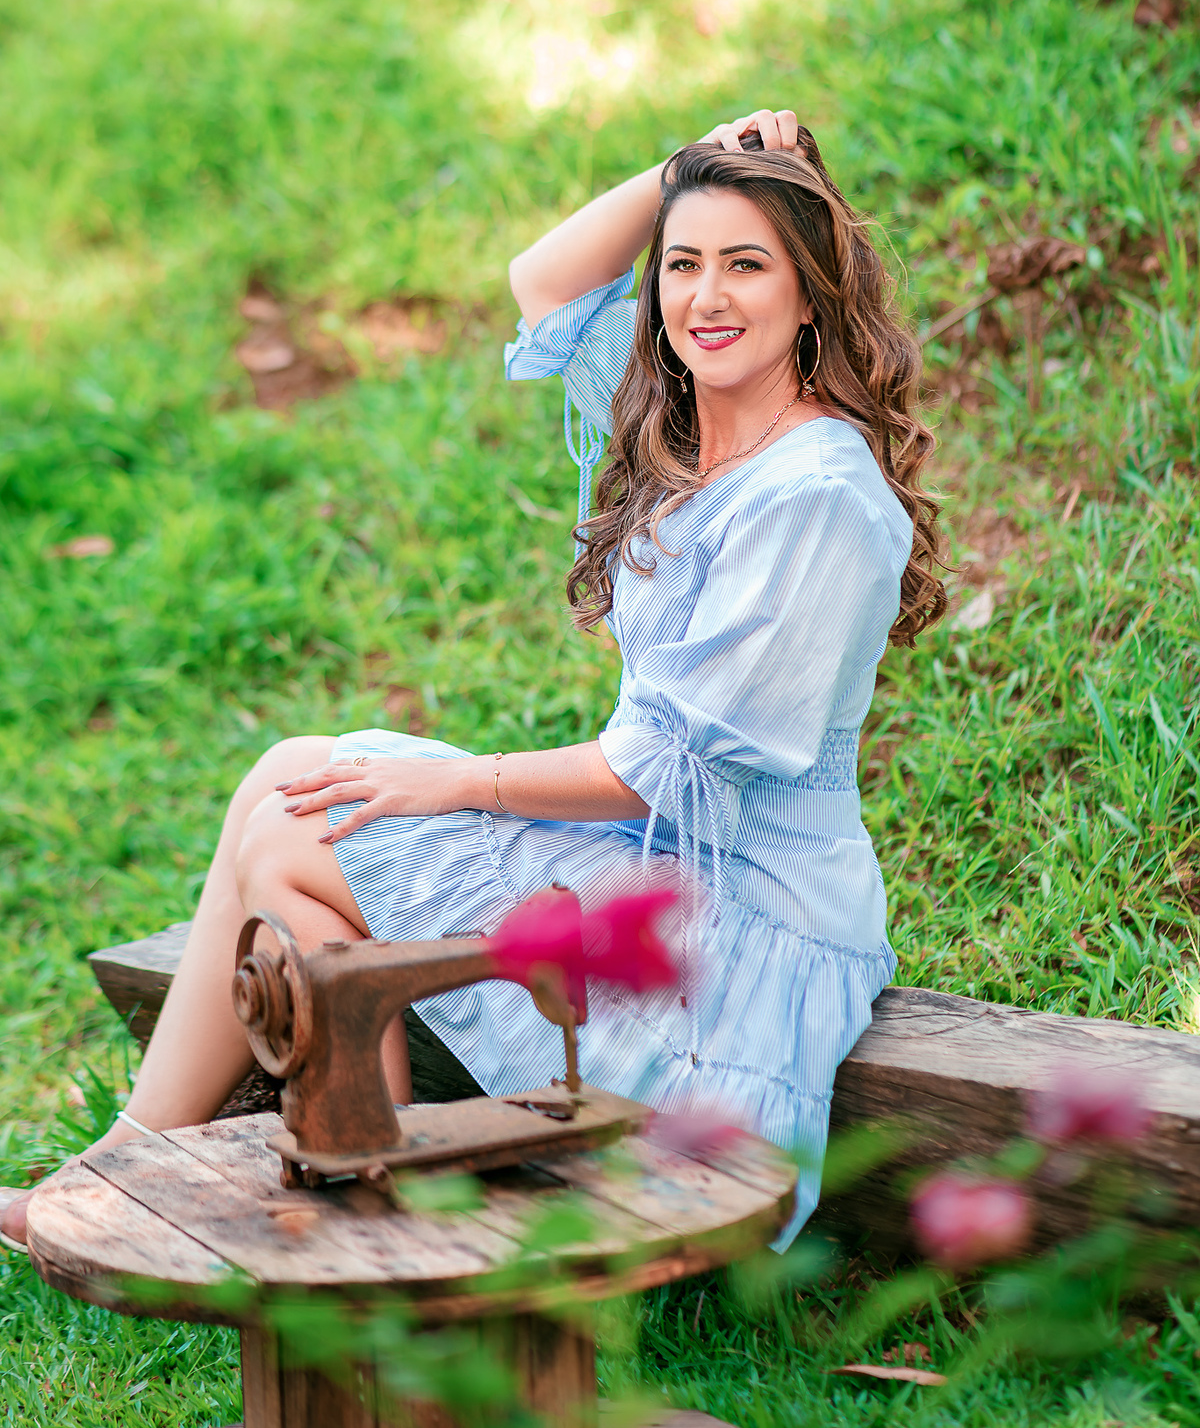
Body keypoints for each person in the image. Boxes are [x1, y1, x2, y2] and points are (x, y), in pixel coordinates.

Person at [1, 108, 944, 1251]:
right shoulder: (698, 425)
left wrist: (448, 783)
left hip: (742, 912)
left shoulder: (815, 496)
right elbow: (545, 281)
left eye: (748, 265)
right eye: (682, 264)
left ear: (811, 295)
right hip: (658, 852)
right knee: (291, 782)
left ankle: (326, 1198)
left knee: (294, 839)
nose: (707, 296)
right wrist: (692, 162)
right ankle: (154, 1174)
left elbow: (661, 772)